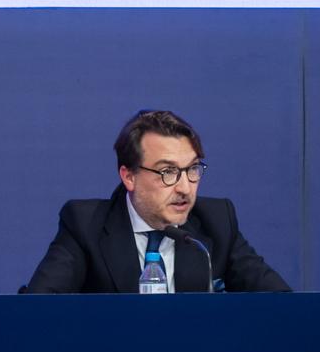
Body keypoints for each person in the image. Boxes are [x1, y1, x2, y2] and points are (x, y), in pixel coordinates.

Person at [23, 109, 291, 293]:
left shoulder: (217, 222)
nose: (185, 188)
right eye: (168, 172)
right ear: (129, 177)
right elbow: (37, 309)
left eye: (193, 169)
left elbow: (281, 304)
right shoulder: (85, 226)